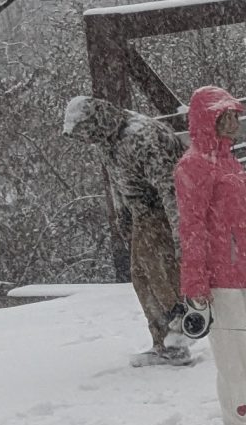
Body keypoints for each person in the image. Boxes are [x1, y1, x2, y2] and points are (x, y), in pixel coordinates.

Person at [175, 86, 246, 425]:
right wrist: (195, 286)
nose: (235, 122)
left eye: (236, 115)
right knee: (233, 357)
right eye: (226, 116)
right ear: (209, 120)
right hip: (219, 278)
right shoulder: (194, 166)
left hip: (243, 274)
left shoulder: (231, 163)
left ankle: (243, 417)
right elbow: (192, 229)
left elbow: (245, 222)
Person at [62, 95, 190, 360]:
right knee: (141, 274)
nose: (85, 139)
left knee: (159, 269)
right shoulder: (106, 141)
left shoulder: (139, 137)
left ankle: (179, 333)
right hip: (141, 211)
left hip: (161, 210)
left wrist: (179, 232)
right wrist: (124, 215)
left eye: (84, 132)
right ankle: (162, 339)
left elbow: (170, 187)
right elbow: (116, 180)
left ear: (96, 121)